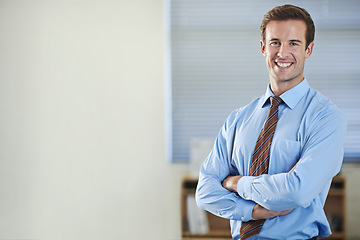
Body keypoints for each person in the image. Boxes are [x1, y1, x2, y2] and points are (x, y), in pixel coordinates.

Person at [195, 4, 347, 240]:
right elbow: (205, 191)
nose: (282, 53)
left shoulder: (326, 118)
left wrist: (236, 183)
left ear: (309, 49)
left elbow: (297, 191)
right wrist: (253, 211)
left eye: (293, 43)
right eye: (275, 42)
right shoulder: (238, 119)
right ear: (263, 48)